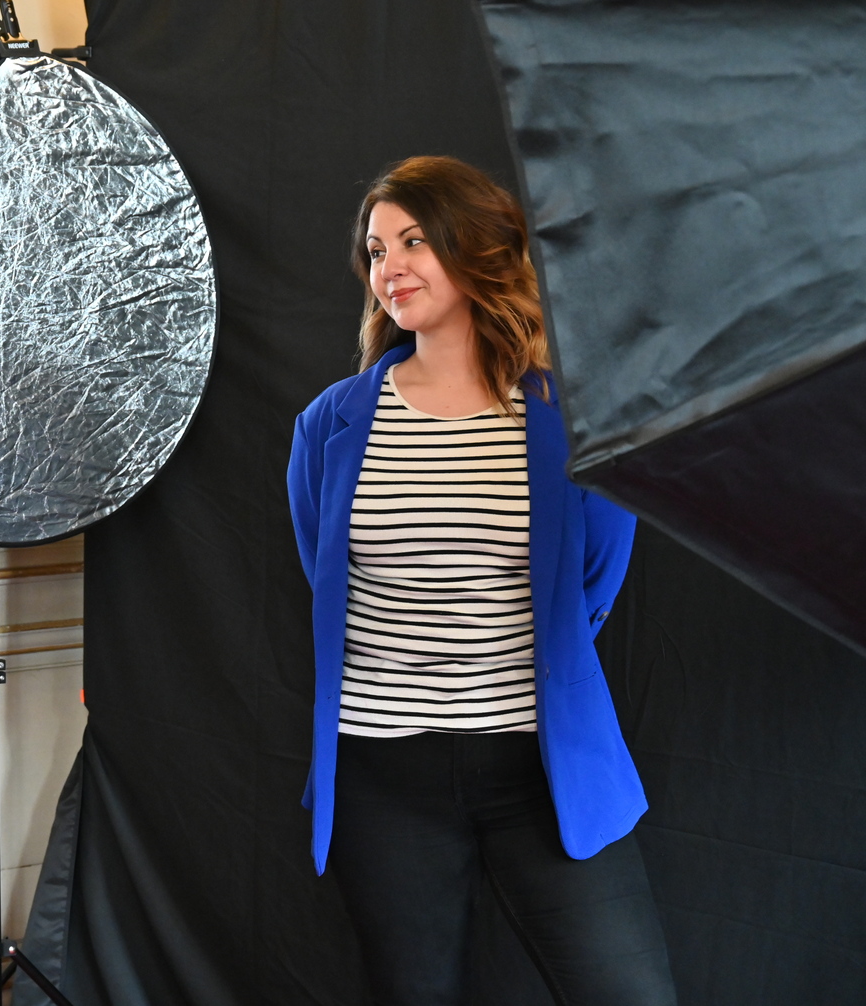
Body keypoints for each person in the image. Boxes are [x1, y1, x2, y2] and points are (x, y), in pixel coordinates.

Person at [287, 156, 678, 1005]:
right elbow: (324, 575)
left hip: (542, 768)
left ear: (475, 248)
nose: (389, 266)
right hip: (381, 780)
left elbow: (594, 579)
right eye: (376, 247)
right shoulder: (331, 424)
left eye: (415, 241)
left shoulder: (569, 419)